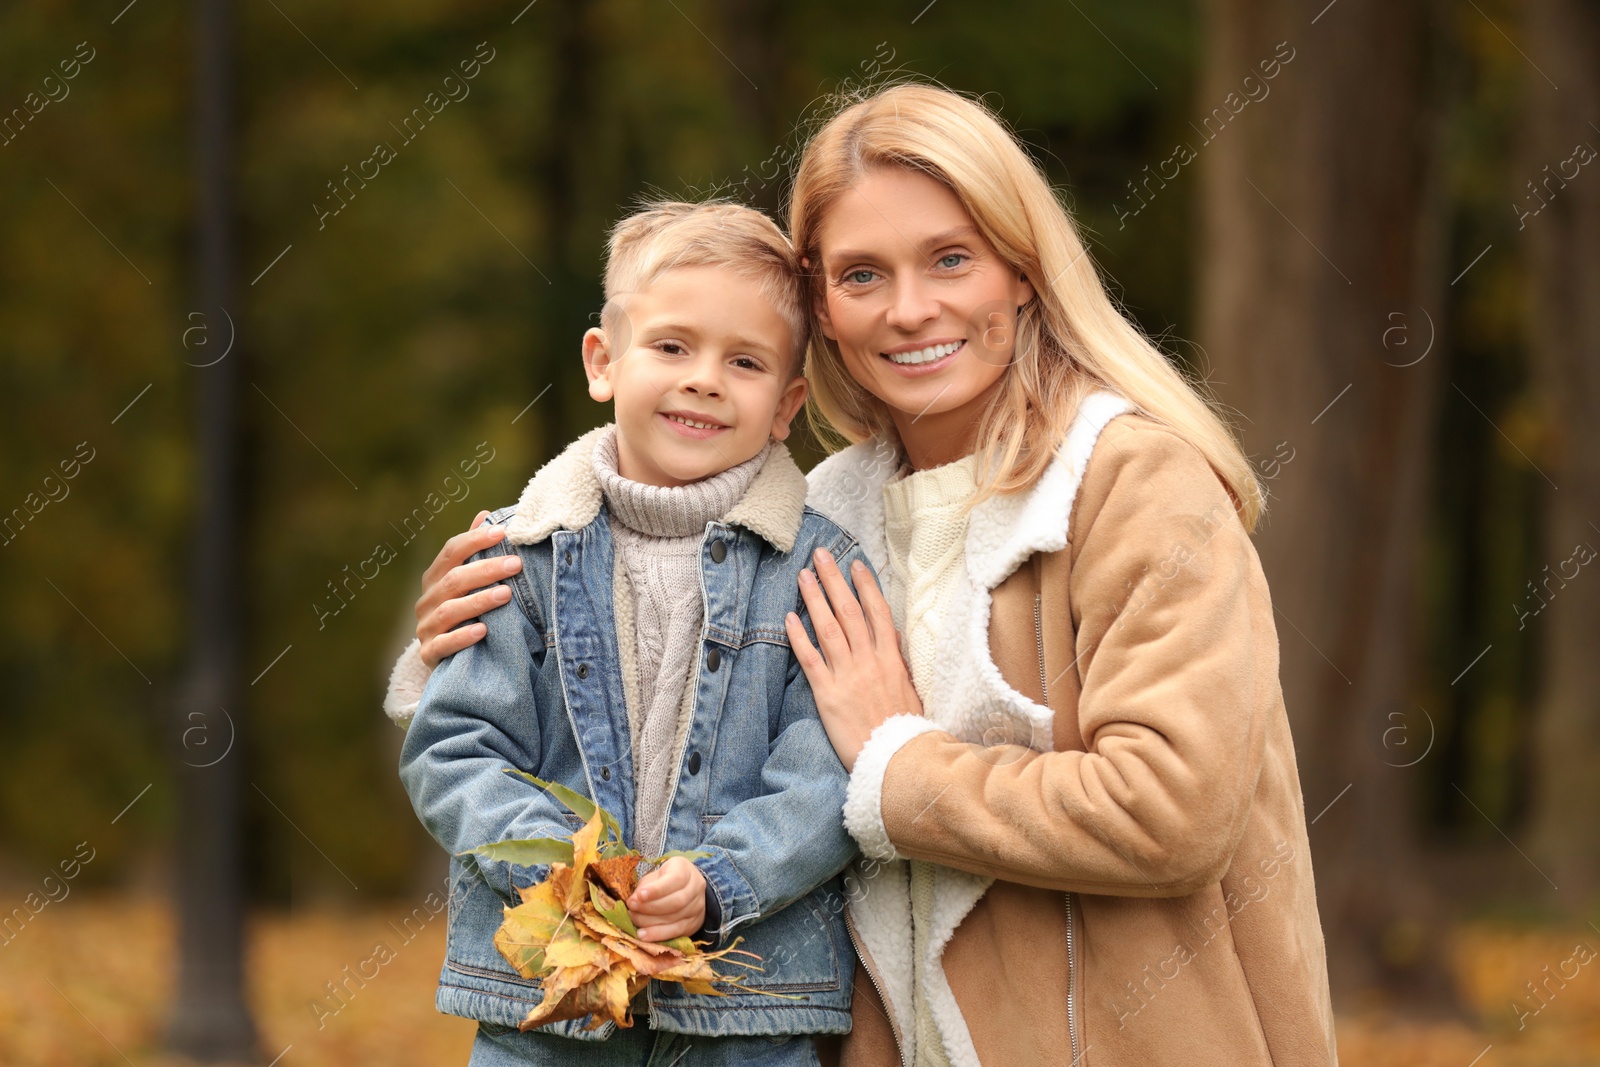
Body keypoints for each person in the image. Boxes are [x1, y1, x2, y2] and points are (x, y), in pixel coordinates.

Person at [396, 83, 1337, 1065]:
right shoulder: (825, 513)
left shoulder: (1131, 483)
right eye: (859, 275)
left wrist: (900, 762)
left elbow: (1170, 811)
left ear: (1022, 270)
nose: (909, 308)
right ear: (823, 312)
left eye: (950, 258)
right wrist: (481, 624)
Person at [396, 200, 869, 1066]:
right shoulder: (519, 555)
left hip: (745, 1011)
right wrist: (577, 877)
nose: (704, 379)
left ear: (786, 405)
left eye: (746, 361)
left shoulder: (818, 569)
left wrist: (720, 881)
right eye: (672, 346)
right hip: (552, 1000)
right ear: (602, 362)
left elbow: (833, 765)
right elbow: (454, 749)